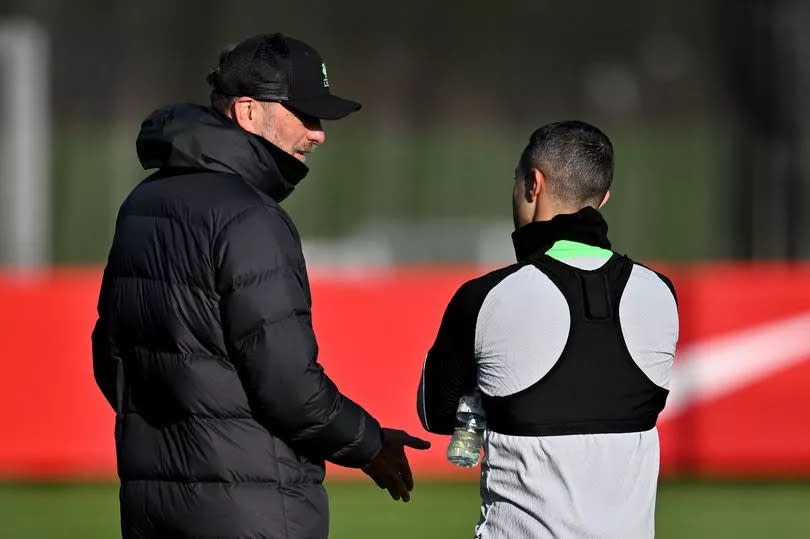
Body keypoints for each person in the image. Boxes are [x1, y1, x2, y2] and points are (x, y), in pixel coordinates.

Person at [92, 33, 429, 539]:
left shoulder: (142, 203)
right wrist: (370, 443)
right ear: (248, 112)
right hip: (253, 513)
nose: (319, 135)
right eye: (306, 115)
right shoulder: (249, 216)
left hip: (152, 512)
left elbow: (109, 359)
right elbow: (290, 389)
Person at [417, 121, 678, 538]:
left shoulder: (487, 296)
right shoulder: (661, 294)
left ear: (532, 184)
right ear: (603, 200)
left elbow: (437, 413)